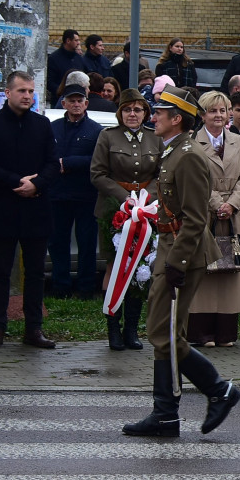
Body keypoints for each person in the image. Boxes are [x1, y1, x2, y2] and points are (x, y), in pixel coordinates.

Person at [122, 86, 240, 438]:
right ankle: (167, 413)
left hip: (183, 253)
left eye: (158, 112)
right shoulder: (174, 150)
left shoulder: (187, 155)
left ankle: (217, 391)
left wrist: (178, 262)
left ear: (176, 119)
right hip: (172, 249)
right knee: (166, 333)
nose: (152, 116)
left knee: (163, 332)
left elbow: (194, 218)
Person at [0, 71, 59, 349]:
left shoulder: (42, 124)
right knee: (0, 270)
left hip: (36, 207)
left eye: (30, 91)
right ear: (8, 93)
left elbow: (52, 163)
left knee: (36, 272)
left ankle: (33, 329)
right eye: (22, 91)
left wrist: (36, 184)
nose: (27, 96)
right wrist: (17, 182)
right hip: (4, 206)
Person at [91, 88, 162, 350]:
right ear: (120, 113)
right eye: (128, 109)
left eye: (138, 109)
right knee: (115, 266)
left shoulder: (156, 139)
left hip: (145, 212)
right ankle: (113, 327)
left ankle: (131, 328)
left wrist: (145, 198)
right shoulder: (107, 136)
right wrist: (125, 198)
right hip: (114, 211)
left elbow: (161, 174)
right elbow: (97, 174)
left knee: (140, 271)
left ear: (145, 112)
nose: (133, 114)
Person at [186, 91, 240, 347]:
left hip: (233, 216)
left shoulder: (238, 141)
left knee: (230, 271)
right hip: (204, 214)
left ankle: (226, 333)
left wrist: (232, 204)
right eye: (213, 111)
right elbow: (194, 177)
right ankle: (201, 333)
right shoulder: (193, 141)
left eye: (223, 111)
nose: (218, 115)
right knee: (204, 271)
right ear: (202, 115)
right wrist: (216, 203)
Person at [48, 84, 103, 299]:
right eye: (72, 100)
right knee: (57, 242)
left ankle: (86, 288)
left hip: (86, 196)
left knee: (86, 242)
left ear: (86, 103)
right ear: (64, 104)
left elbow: (98, 161)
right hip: (57, 195)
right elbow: (44, 156)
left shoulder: (96, 130)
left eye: (80, 100)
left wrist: (68, 163)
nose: (76, 104)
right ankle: (60, 286)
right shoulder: (52, 128)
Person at [47, 29, 84, 106]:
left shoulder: (79, 58)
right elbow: (49, 82)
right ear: (68, 41)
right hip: (59, 101)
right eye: (76, 40)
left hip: (78, 102)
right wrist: (63, 91)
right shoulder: (54, 58)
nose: (78, 43)